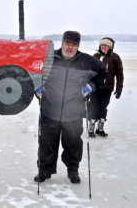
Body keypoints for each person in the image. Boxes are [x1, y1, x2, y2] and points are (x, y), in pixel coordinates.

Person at [34, 31, 107, 184]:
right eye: (67, 44)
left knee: (73, 144)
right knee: (46, 144)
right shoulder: (48, 58)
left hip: (74, 112)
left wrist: (91, 86)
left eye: (74, 45)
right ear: (62, 42)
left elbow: (103, 72)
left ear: (78, 46)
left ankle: (73, 170)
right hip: (49, 110)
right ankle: (44, 171)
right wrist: (37, 86)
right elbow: (33, 71)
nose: (70, 47)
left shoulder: (87, 61)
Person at [88, 37, 124, 137]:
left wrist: (119, 87)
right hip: (95, 88)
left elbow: (119, 74)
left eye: (106, 45)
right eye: (102, 45)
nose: (103, 47)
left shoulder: (115, 57)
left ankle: (100, 128)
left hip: (107, 88)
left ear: (110, 47)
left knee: (103, 107)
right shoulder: (95, 56)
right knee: (94, 107)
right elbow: (89, 72)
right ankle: (91, 128)